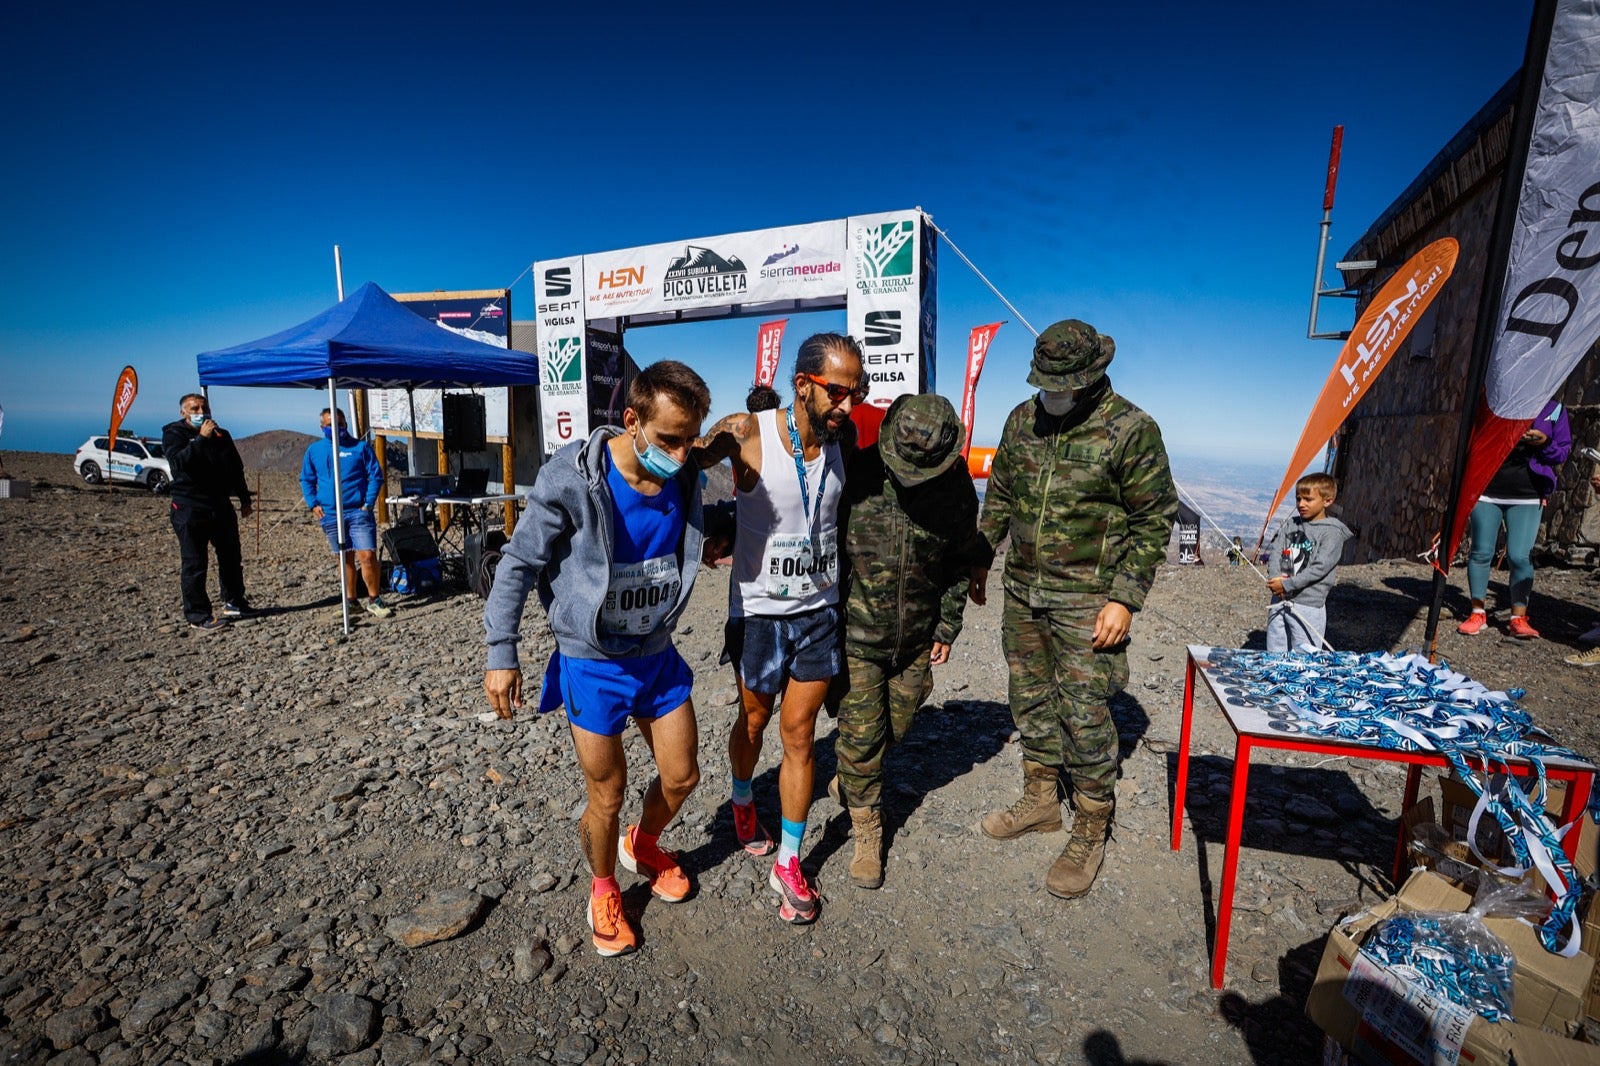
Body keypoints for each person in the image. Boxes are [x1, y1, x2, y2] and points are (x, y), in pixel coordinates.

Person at [483, 361, 711, 958]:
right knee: (607, 793)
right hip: (593, 662)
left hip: (657, 654)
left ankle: (644, 842)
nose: (682, 454)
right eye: (669, 439)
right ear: (631, 420)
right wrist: (501, 651)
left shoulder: (685, 476)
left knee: (683, 774)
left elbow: (726, 449)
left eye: (691, 440)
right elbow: (517, 564)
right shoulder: (572, 479)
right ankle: (605, 887)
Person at [976, 319, 1177, 901]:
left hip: (1089, 599)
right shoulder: (1023, 417)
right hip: (1023, 593)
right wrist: (979, 557)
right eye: (1047, 381)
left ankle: (1092, 821)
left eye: (1065, 382)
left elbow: (1151, 521)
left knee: (1084, 709)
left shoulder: (1132, 429)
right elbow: (1004, 496)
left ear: (1092, 376)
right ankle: (1042, 801)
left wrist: (1124, 598)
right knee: (1030, 696)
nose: (1053, 391)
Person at [694, 332, 865, 924]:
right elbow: (678, 465)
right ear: (803, 385)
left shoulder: (846, 441)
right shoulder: (748, 432)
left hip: (819, 612)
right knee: (756, 719)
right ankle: (743, 799)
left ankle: (789, 862)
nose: (848, 404)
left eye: (856, 391)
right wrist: (702, 536)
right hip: (759, 612)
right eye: (838, 391)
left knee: (799, 733)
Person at [830, 393, 993, 888]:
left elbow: (961, 560)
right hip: (857, 634)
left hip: (916, 637)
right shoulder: (857, 474)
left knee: (894, 727)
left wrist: (947, 625)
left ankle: (856, 775)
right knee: (861, 735)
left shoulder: (955, 492)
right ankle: (867, 830)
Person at [1457, 399, 1571, 639]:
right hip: (1486, 489)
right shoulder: (1497, 400)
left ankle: (1518, 618)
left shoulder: (1554, 408)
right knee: (1481, 552)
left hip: (1528, 493)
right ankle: (1477, 612)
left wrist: (1545, 442)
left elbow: (1561, 451)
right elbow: (1471, 439)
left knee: (1519, 556)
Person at [162, 393, 254, 631]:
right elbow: (178, 463)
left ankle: (234, 600)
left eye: (204, 407)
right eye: (194, 408)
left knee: (231, 556)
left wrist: (244, 498)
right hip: (189, 506)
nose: (200, 412)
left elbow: (235, 468)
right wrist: (200, 439)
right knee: (195, 561)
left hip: (220, 504)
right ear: (184, 412)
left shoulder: (221, 435)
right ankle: (198, 615)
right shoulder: (174, 434)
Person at [300, 408, 393, 619]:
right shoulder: (315, 450)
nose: (336, 428)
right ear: (322, 426)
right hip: (331, 514)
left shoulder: (360, 448)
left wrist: (368, 503)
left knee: (367, 555)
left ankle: (374, 599)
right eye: (330, 424)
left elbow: (376, 476)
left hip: (358, 512)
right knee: (344, 557)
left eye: (340, 424)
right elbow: (306, 478)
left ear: (346, 424)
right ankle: (351, 601)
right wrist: (313, 503)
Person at [1263, 473, 1353, 652]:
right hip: (1280, 600)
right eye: (1298, 499)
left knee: (1305, 657)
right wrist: (1276, 580)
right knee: (1275, 652)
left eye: (1308, 499)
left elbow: (1319, 568)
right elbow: (1276, 553)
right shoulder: (1291, 525)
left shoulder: (1331, 533)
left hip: (1308, 605)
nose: (1301, 504)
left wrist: (1287, 585)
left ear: (1327, 501)